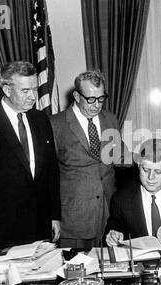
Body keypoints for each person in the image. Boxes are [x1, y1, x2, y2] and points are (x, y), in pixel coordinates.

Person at [0, 61, 60, 256]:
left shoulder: (41, 120)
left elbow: (51, 172)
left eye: (35, 89)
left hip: (40, 228)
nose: (33, 96)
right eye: (25, 91)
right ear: (7, 90)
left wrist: (55, 216)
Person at [50, 70, 130, 250]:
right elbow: (48, 175)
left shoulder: (109, 119)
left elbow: (122, 155)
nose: (97, 105)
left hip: (110, 213)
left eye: (101, 98)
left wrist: (160, 156)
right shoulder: (56, 124)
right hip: (74, 218)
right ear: (77, 96)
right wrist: (52, 216)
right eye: (91, 99)